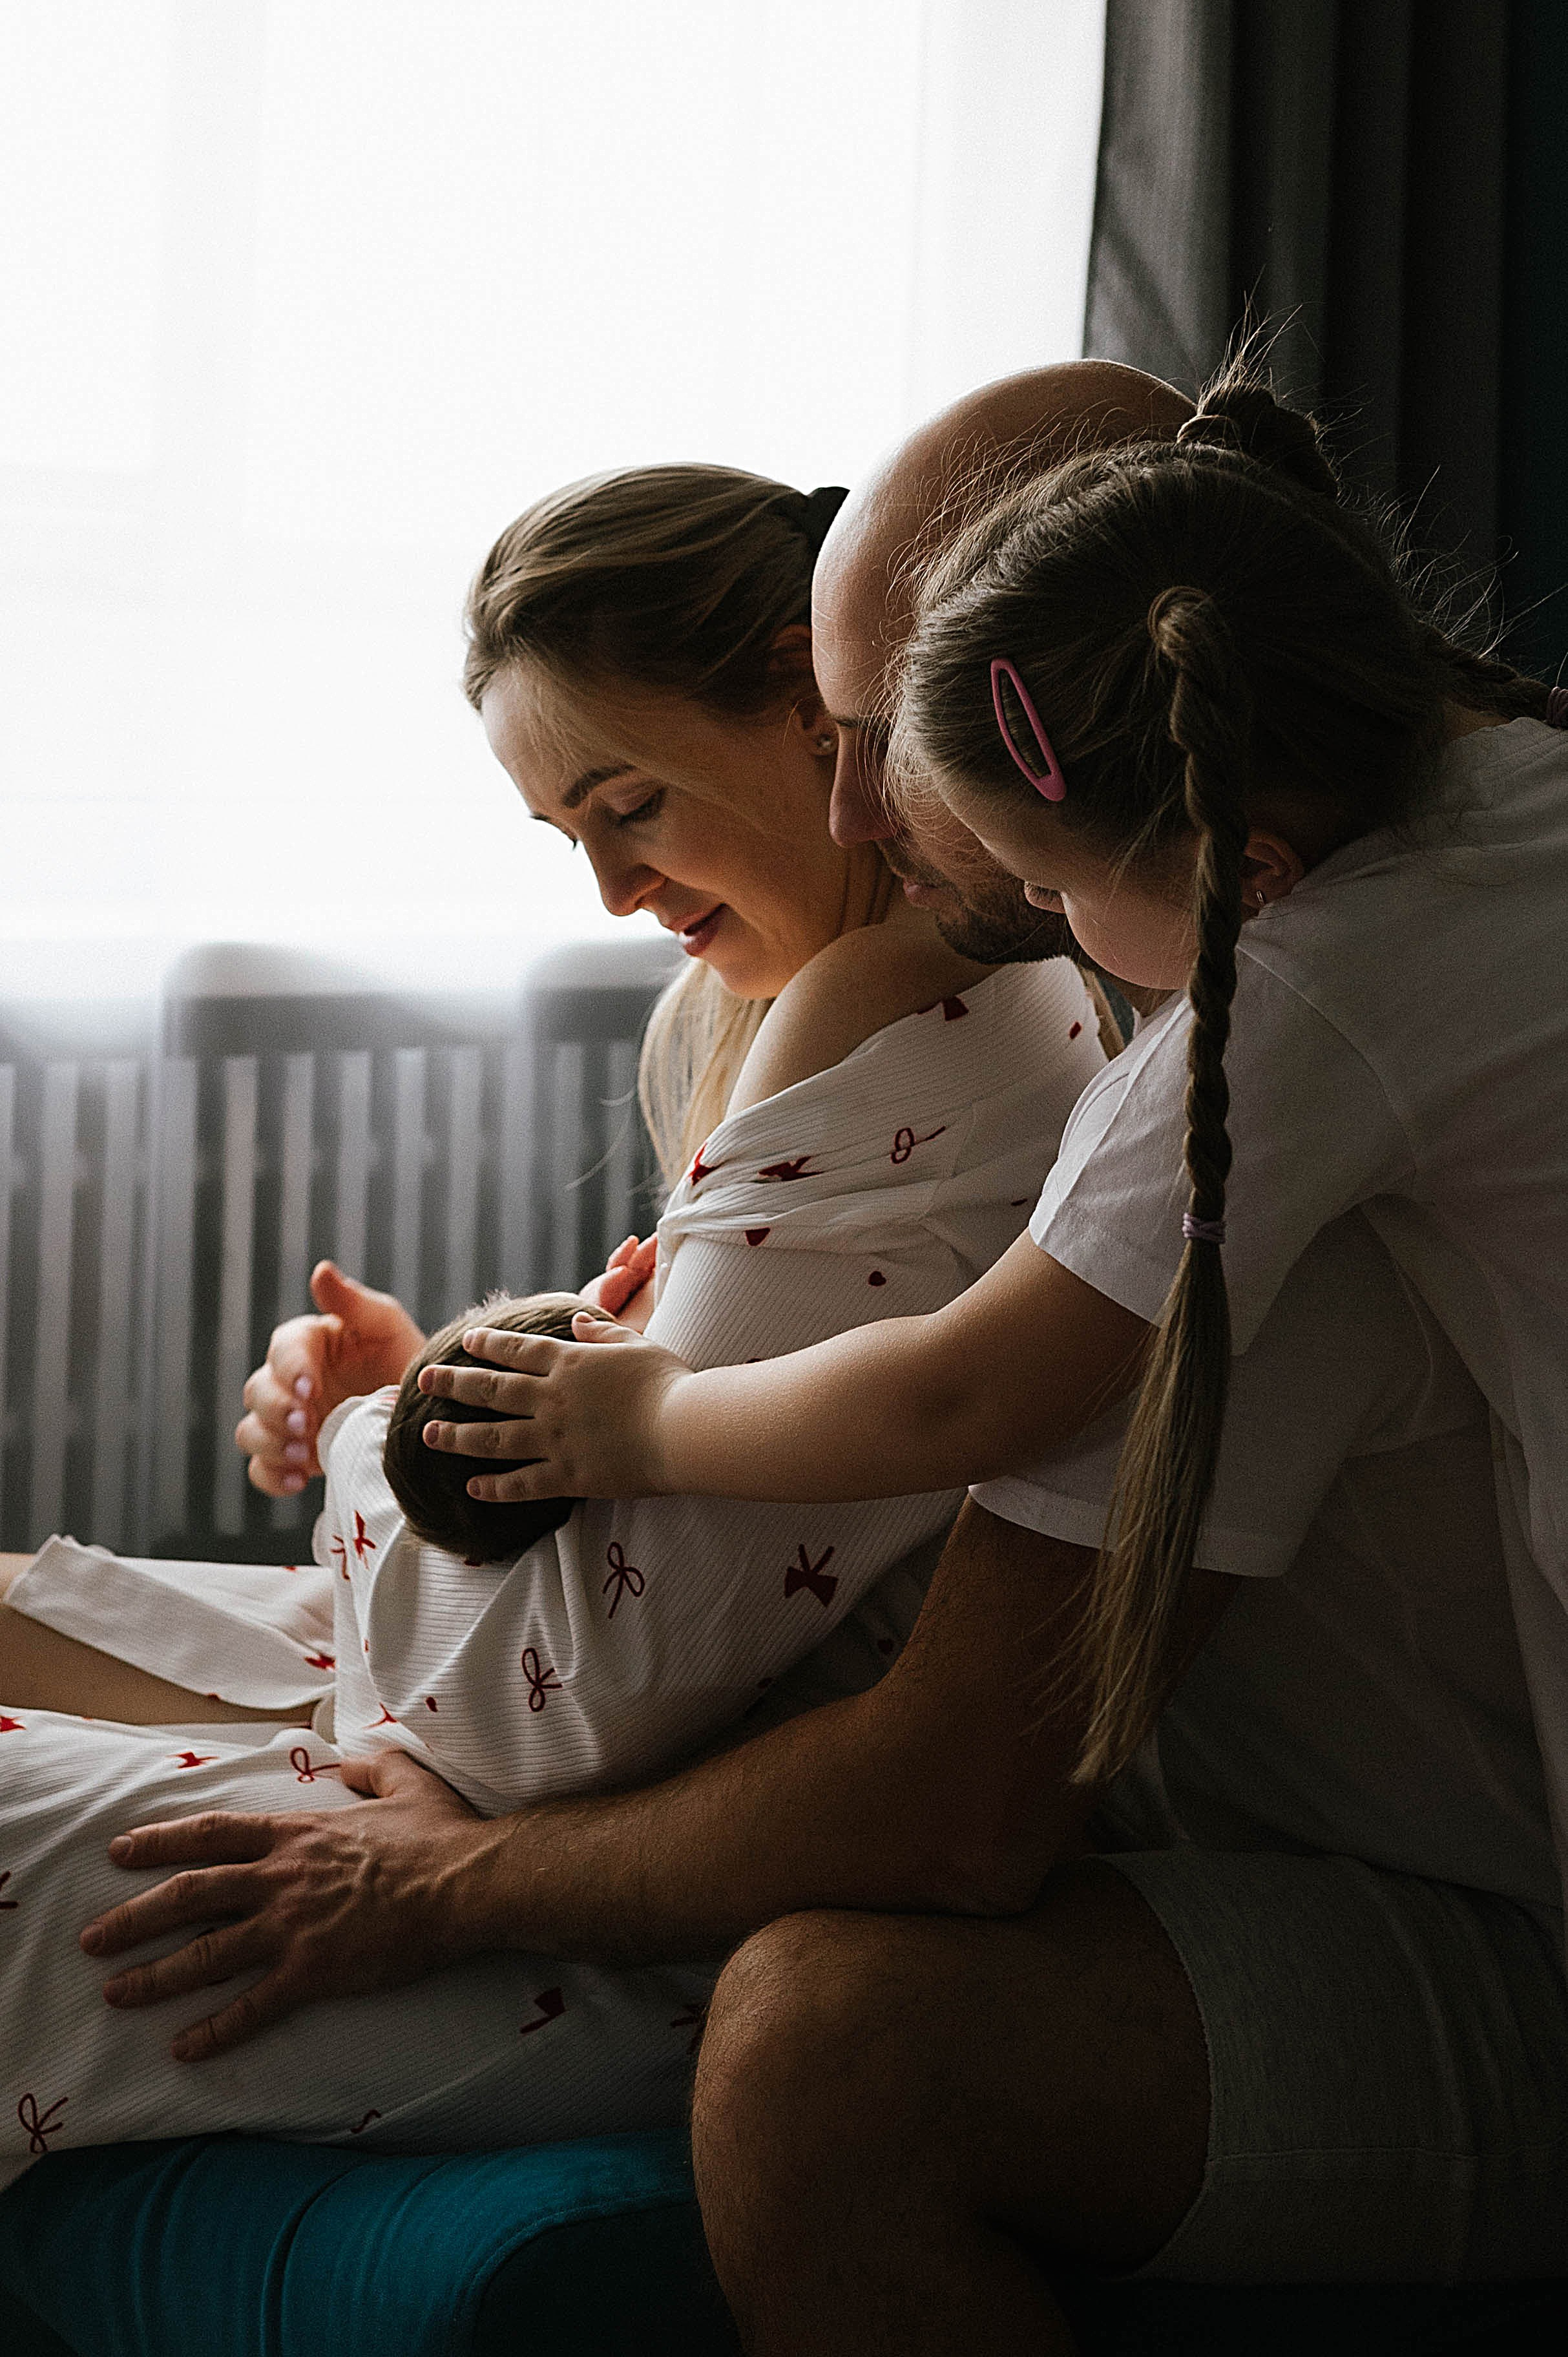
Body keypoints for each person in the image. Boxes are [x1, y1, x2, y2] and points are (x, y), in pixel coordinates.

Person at [392, 361, 1568, 2337]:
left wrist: (645, 1421)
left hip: (1489, 1923)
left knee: (822, 2056)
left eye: (873, 736)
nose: (856, 804)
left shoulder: (1265, 1036)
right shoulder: (1476, 821)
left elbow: (964, 1406)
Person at [0, 452, 1109, 2184]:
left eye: (632, 805)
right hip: (569, 1720)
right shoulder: (808, 1007)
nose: (611, 895)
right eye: (568, 833)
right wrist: (434, 1379)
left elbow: (546, 1712)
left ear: (815, 709)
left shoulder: (890, 1002)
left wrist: (393, 1435)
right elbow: (691, 1471)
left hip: (659, 1849)